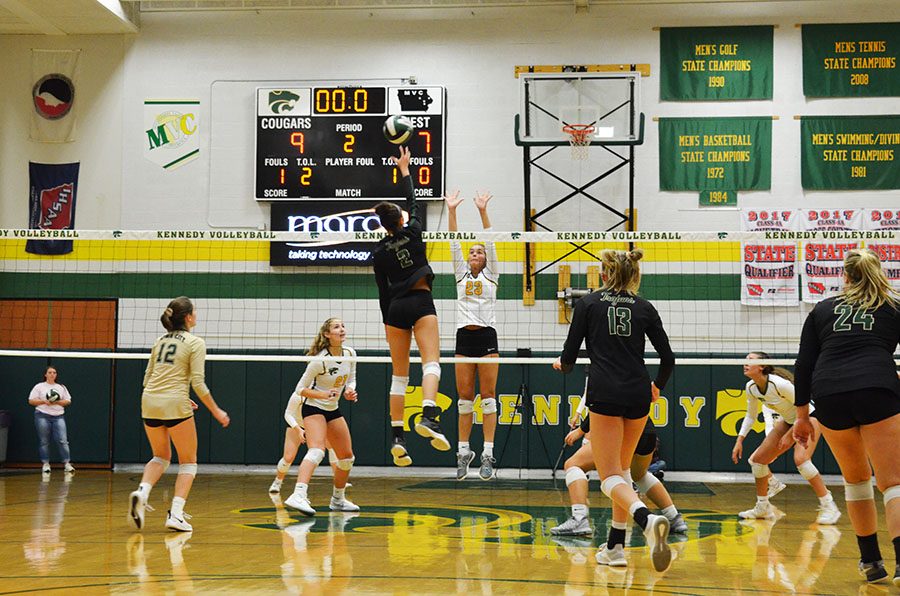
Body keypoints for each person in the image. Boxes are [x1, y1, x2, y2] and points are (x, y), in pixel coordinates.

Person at [554, 248, 676, 572]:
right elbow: (668, 358)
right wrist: (657, 387)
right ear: (634, 274)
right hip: (638, 393)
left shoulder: (588, 303)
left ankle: (648, 520)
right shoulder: (645, 307)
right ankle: (615, 548)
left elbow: (568, 359)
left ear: (604, 274)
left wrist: (561, 365)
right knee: (623, 472)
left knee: (609, 477)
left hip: (605, 392)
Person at [793, 248, 900, 585]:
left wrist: (801, 416)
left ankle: (870, 561)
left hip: (829, 393)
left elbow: (803, 364)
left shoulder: (823, 308)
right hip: (876, 387)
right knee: (893, 483)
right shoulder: (893, 306)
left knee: (856, 480)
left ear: (846, 276)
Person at [373, 146, 449, 466]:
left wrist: (388, 323)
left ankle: (397, 438)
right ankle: (428, 415)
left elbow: (382, 292)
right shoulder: (415, 230)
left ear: (383, 225)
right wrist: (405, 169)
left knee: (399, 376)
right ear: (401, 219)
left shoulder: (378, 252)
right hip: (419, 301)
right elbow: (414, 201)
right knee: (431, 363)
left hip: (394, 311)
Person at [128, 296, 230, 533]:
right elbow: (198, 382)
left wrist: (179, 397)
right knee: (188, 461)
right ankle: (175, 513)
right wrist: (216, 411)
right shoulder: (195, 342)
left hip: (150, 401)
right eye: (195, 312)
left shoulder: (159, 341)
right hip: (174, 403)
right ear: (188, 317)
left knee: (160, 456)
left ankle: (142, 492)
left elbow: (147, 378)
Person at [732, 352, 840, 525]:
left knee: (801, 460)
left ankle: (829, 505)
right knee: (758, 461)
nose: (745, 363)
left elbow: (805, 406)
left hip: (809, 417)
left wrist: (791, 435)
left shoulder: (779, 384)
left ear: (762, 366)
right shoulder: (751, 387)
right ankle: (763, 507)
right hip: (789, 420)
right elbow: (750, 416)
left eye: (750, 360)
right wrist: (740, 440)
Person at [551, 414, 688, 543]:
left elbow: (598, 403)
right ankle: (674, 517)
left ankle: (580, 518)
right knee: (639, 475)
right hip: (646, 432)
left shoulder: (605, 390)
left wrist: (581, 430)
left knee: (575, 465)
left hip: (621, 431)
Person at [446, 190, 500, 481]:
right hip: (463, 340)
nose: (475, 254)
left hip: (487, 338)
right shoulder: (460, 274)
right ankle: (463, 451)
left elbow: (490, 240)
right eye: (472, 252)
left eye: (478, 252)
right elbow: (454, 242)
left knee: (488, 398)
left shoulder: (492, 274)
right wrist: (452, 210)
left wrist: (482, 210)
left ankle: (488, 454)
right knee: (465, 399)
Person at [282, 317, 359, 515]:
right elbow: (300, 389)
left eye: (343, 325)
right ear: (327, 334)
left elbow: (351, 379)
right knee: (317, 450)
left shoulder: (350, 353)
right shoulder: (319, 360)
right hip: (313, 407)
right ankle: (298, 494)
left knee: (347, 457)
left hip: (332, 409)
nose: (341, 329)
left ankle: (338, 500)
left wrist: (350, 391)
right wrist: (323, 394)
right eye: (336, 327)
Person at [28, 366, 75, 475]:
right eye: (50, 372)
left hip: (58, 416)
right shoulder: (39, 387)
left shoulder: (61, 387)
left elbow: (68, 401)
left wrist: (56, 402)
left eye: (54, 372)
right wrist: (44, 402)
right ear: (45, 374)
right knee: (44, 440)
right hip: (42, 415)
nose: (52, 374)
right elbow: (31, 400)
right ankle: (45, 464)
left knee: (63, 440)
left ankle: (67, 463)